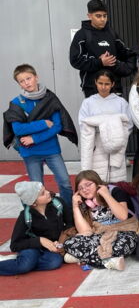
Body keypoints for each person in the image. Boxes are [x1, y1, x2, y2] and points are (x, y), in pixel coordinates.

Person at [3, 64, 77, 206]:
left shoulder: (49, 98)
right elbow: (18, 130)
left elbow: (57, 126)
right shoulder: (16, 103)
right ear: (18, 84)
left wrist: (34, 138)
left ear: (36, 77)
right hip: (30, 152)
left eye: (29, 78)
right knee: (37, 189)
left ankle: (69, 213)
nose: (26, 83)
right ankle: (43, 217)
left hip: (51, 149)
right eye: (22, 81)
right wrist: (43, 123)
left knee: (65, 183)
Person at [63, 170, 139, 270]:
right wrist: (75, 207)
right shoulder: (84, 202)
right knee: (69, 243)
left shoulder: (115, 192)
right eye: (81, 188)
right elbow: (85, 232)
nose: (85, 189)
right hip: (101, 234)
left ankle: (83, 257)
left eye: (88, 185)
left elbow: (123, 216)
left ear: (97, 183)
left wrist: (106, 195)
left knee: (119, 248)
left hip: (124, 232)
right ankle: (110, 262)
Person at [0, 182, 73, 276]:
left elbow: (70, 223)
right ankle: (24, 262)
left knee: (55, 262)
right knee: (25, 265)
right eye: (42, 193)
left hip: (52, 247)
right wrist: (40, 241)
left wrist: (61, 241)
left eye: (45, 189)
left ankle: (22, 262)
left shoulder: (58, 203)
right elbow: (14, 245)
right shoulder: (25, 216)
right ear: (34, 203)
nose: (48, 192)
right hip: (31, 247)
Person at [69, 0, 136, 97]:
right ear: (89, 16)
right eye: (98, 16)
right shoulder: (82, 35)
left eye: (105, 16)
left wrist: (125, 69)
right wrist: (100, 62)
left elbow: (127, 53)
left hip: (115, 87)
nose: (102, 19)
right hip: (92, 88)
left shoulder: (112, 33)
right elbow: (75, 60)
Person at [78, 70, 133, 183]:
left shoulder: (121, 102)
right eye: (100, 83)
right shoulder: (88, 102)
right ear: (95, 83)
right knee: (97, 181)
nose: (103, 87)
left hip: (116, 147)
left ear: (112, 84)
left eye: (107, 84)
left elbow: (128, 125)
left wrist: (115, 136)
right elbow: (83, 124)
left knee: (116, 182)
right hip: (96, 147)